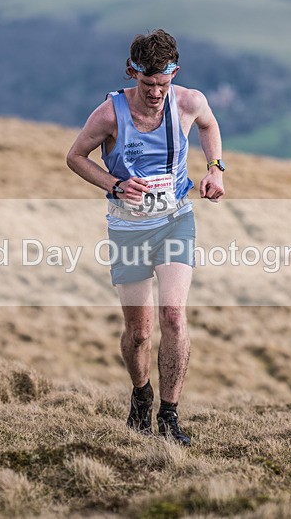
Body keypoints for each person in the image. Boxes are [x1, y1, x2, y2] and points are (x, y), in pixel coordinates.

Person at [66, 29, 225, 446]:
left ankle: (169, 415)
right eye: (148, 83)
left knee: (173, 315)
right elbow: (75, 157)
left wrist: (216, 169)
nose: (155, 93)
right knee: (139, 332)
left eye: (163, 84)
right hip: (128, 228)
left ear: (175, 73)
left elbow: (209, 125)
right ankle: (141, 394)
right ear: (131, 71)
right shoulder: (109, 114)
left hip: (175, 220)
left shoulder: (188, 102)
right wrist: (115, 185)